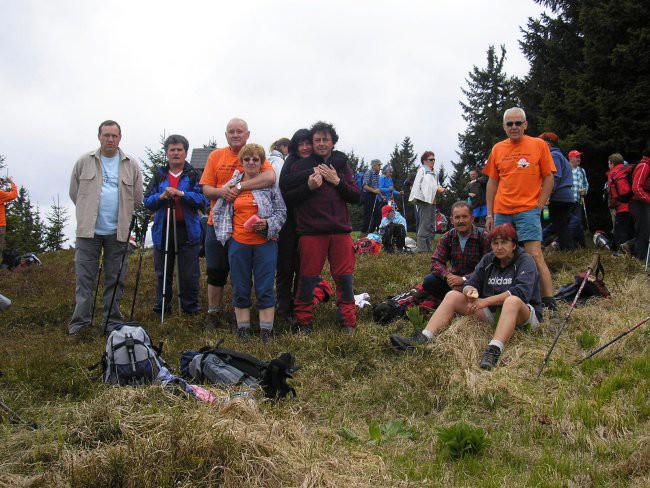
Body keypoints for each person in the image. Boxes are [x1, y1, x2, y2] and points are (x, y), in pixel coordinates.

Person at [390, 223, 542, 370]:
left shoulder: (525, 260)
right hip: (492, 313)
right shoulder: (488, 259)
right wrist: (470, 292)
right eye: (495, 243)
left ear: (514, 245)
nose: (499, 247)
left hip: (523, 317)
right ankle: (424, 338)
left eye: (504, 243)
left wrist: (485, 301)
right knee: (452, 295)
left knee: (512, 301)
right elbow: (471, 281)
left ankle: (494, 349)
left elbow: (521, 293)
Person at [280, 121, 361, 333]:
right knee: (307, 278)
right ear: (312, 143)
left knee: (344, 278)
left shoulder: (341, 165)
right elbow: (288, 196)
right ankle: (303, 321)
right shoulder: (300, 165)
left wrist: (337, 181)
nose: (322, 143)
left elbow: (355, 196)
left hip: (340, 231)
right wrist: (308, 187)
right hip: (311, 232)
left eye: (326, 139)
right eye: (317, 140)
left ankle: (348, 320)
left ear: (333, 142)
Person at [68, 120, 143, 335]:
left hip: (118, 233)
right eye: (106, 135)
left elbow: (137, 198)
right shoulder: (84, 161)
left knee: (116, 280)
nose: (110, 139)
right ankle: (80, 325)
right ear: (99, 136)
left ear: (120, 138)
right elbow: (75, 193)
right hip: (88, 232)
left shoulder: (131, 165)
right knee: (84, 280)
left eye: (114, 136)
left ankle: (112, 323)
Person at [200, 118, 276, 329]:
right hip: (217, 222)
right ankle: (214, 313)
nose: (235, 135)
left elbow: (270, 177)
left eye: (239, 131)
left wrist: (239, 186)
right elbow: (206, 189)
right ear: (226, 135)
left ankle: (243, 315)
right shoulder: (216, 156)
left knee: (242, 272)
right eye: (231, 131)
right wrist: (222, 191)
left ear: (247, 134)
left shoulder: (255, 154)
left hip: (246, 226)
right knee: (216, 269)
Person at [483, 107, 557, 311]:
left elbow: (549, 177)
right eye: (510, 124)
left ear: (526, 124)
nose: (514, 127)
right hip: (502, 210)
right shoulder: (498, 148)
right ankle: (500, 298)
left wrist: (539, 205)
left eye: (518, 123)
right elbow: (492, 182)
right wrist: (490, 213)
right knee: (501, 255)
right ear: (504, 127)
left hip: (527, 210)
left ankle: (548, 300)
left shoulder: (539, 145)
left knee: (534, 254)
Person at [212, 143, 286, 343]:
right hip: (238, 243)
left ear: (262, 162)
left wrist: (268, 223)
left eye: (256, 159)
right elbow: (219, 210)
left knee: (264, 287)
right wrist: (224, 233)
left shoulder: (270, 185)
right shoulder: (232, 186)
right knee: (240, 286)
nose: (251, 162)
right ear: (242, 162)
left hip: (265, 242)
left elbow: (281, 212)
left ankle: (266, 332)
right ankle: (242, 331)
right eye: (247, 159)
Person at [144, 134, 209, 316]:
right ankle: (162, 309)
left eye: (179, 150)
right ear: (166, 153)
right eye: (172, 150)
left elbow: (203, 199)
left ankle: (190, 311)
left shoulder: (194, 174)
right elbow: (147, 200)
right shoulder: (159, 175)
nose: (176, 153)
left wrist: (181, 194)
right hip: (163, 230)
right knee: (162, 273)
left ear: (186, 153)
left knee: (189, 274)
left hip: (187, 231)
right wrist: (161, 197)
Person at [421, 201, 490, 303]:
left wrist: (463, 279)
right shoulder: (447, 237)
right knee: (429, 281)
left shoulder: (484, 237)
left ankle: (456, 301)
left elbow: (488, 267)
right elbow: (436, 261)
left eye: (465, 217)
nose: (461, 221)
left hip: (477, 282)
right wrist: (449, 277)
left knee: (490, 284)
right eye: (457, 217)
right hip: (453, 282)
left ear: (472, 218)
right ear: (451, 220)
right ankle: (459, 300)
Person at [539, 132, 575, 250]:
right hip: (566, 196)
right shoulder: (561, 156)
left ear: (547, 144)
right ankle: (567, 248)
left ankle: (566, 249)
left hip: (558, 197)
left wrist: (547, 194)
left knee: (547, 221)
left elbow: (555, 176)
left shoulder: (553, 156)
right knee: (561, 224)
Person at [409, 151, 445, 253]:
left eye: (434, 159)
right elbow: (425, 185)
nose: (433, 161)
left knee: (431, 226)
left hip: (432, 201)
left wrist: (441, 188)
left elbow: (437, 184)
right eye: (431, 159)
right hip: (423, 201)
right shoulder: (422, 170)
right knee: (424, 225)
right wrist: (438, 189)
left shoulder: (435, 172)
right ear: (424, 161)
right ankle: (421, 249)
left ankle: (428, 249)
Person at [606, 153, 636, 252]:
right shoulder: (628, 170)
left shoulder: (613, 173)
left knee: (620, 232)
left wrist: (613, 207)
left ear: (612, 163)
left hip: (621, 207)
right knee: (632, 231)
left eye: (608, 163)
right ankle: (633, 254)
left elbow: (613, 194)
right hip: (634, 205)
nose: (608, 166)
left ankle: (620, 254)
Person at [629, 155, 650, 262]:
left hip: (643, 202)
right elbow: (636, 187)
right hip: (638, 203)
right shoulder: (644, 166)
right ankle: (640, 261)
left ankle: (627, 246)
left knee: (645, 232)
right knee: (644, 233)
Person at [569, 149, 589, 247]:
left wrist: (584, 190)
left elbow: (586, 184)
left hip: (578, 201)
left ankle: (578, 244)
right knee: (568, 222)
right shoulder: (566, 169)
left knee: (577, 222)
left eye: (579, 157)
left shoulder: (582, 170)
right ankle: (567, 243)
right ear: (570, 158)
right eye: (576, 157)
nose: (579, 159)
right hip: (567, 201)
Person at [361, 159, 383, 235]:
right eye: (379, 165)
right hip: (368, 195)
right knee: (368, 215)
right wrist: (374, 191)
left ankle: (372, 232)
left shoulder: (377, 174)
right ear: (374, 165)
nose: (380, 167)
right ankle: (363, 234)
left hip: (374, 196)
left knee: (378, 214)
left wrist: (381, 196)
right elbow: (364, 186)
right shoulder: (369, 172)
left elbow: (377, 188)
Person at [0, 176, 18, 253]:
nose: (0, 183)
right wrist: (11, 182)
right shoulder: (0, 194)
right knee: (1, 247)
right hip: (0, 224)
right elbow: (14, 195)